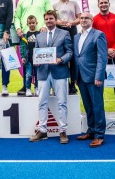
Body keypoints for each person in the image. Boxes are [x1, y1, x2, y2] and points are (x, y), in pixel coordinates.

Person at [29, 10, 72, 144]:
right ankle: (42, 130)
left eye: (51, 19)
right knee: (42, 102)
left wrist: (61, 59)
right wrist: (35, 61)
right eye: (46, 19)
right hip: (43, 73)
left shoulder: (64, 33)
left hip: (59, 72)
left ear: (55, 19)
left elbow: (70, 52)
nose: (48, 21)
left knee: (62, 102)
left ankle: (63, 131)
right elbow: (35, 53)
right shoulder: (40, 36)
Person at [74, 12, 107, 148]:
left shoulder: (98, 35)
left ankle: (99, 135)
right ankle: (91, 130)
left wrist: (99, 76)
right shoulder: (76, 36)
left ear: (92, 20)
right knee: (88, 107)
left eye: (86, 18)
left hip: (94, 77)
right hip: (80, 77)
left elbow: (102, 57)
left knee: (97, 106)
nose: (83, 20)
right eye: (81, 18)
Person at [14, 0, 53, 96]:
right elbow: (17, 17)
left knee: (40, 62)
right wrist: (18, 29)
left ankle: (39, 86)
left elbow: (50, 13)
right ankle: (26, 87)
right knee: (26, 61)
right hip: (25, 35)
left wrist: (45, 26)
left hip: (40, 34)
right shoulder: (22, 1)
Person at [92, 0, 115, 116]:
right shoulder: (95, 20)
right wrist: (105, 51)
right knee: (99, 81)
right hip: (101, 56)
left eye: (105, 2)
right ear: (98, 5)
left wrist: (114, 48)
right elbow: (94, 37)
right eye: (101, 3)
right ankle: (99, 107)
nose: (103, 4)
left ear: (109, 4)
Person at [53, 0, 81, 94]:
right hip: (59, 30)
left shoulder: (74, 4)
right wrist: (58, 22)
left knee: (72, 56)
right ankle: (61, 82)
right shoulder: (54, 5)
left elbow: (80, 18)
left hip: (71, 30)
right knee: (61, 54)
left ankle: (72, 83)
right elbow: (52, 19)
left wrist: (71, 23)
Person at [20, 15, 40, 97]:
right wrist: (22, 57)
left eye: (33, 23)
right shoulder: (24, 36)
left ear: (36, 23)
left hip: (37, 58)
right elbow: (22, 47)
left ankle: (37, 88)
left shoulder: (39, 34)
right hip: (28, 59)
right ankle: (28, 89)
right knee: (28, 74)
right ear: (27, 24)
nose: (32, 24)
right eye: (30, 23)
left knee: (38, 74)